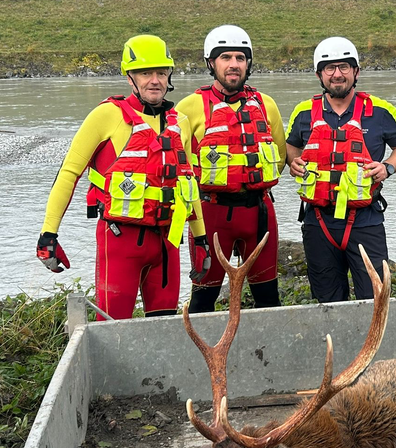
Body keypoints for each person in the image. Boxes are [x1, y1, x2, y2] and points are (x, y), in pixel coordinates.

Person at [36, 34, 209, 319]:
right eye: (145, 73)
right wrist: (48, 235)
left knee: (164, 330)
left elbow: (189, 186)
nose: (155, 80)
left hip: (168, 243)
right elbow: (68, 174)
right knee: (112, 331)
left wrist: (200, 239)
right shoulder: (106, 115)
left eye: (161, 72)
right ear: (130, 78)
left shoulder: (182, 122)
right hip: (119, 242)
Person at [286, 37, 396, 302]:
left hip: (365, 219)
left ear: (356, 71)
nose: (337, 74)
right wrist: (294, 161)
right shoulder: (303, 112)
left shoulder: (380, 110)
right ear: (319, 75)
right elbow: (289, 145)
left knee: (375, 296)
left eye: (344, 67)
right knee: (327, 302)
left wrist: (387, 167)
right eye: (329, 68)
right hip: (318, 220)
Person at [176, 25, 286, 312]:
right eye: (225, 57)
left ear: (248, 63)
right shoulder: (189, 108)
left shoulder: (266, 105)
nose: (234, 64)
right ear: (211, 63)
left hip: (259, 213)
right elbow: (176, 167)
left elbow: (281, 157)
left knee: (268, 299)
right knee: (203, 300)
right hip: (211, 215)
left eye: (240, 57)